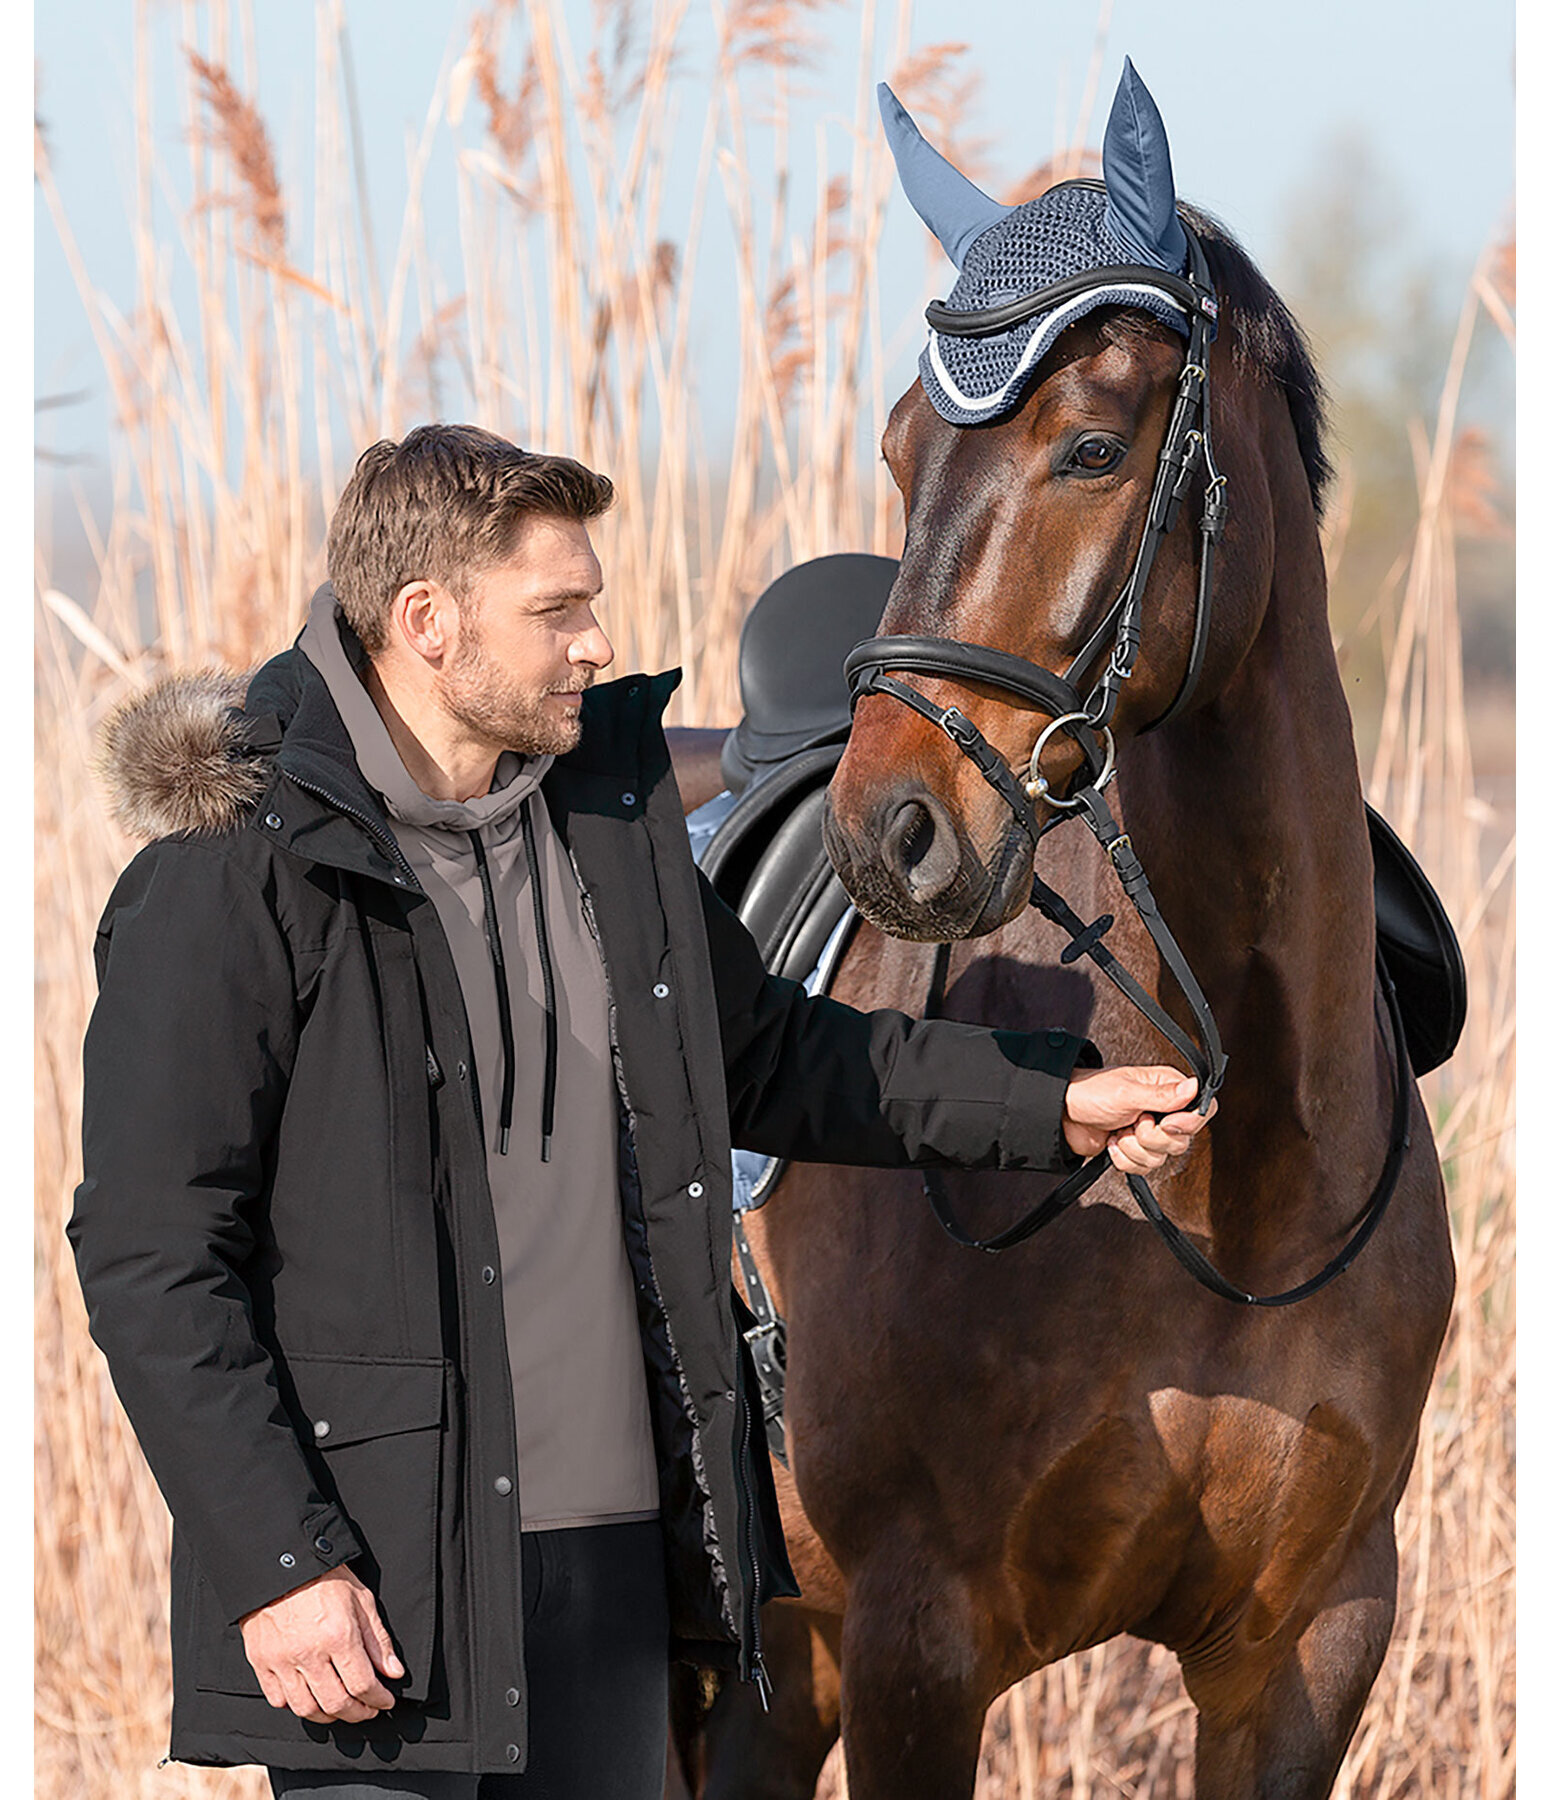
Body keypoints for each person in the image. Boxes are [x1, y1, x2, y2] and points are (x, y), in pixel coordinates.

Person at [69, 423, 1214, 1799]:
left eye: (589, 604)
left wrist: (1059, 1099)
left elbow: (777, 1062)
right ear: (425, 623)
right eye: (555, 612)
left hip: (613, 1574)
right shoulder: (233, 878)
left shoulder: (597, 831)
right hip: (376, 1591)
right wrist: (280, 1564)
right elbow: (152, 1258)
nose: (595, 645)